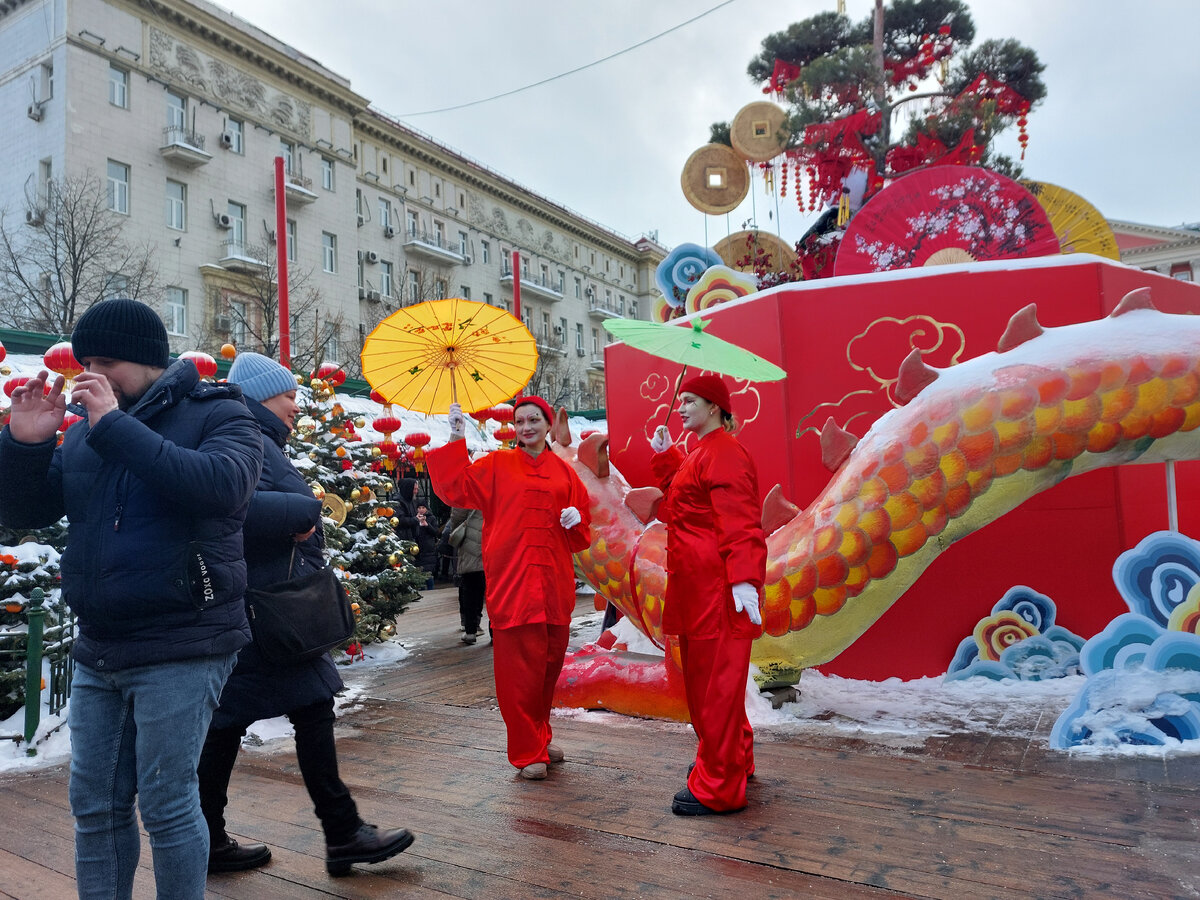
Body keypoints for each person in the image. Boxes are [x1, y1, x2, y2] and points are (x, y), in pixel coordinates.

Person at [0, 298, 263, 900]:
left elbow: (222, 488)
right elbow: (25, 512)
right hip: (101, 645)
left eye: (108, 362)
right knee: (94, 806)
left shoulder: (218, 410)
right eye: (87, 362)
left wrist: (115, 426)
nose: (93, 374)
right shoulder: (87, 430)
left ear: (149, 360)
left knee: (168, 804)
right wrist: (25, 445)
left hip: (185, 638)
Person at [197, 352, 414, 878]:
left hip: (265, 605)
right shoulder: (250, 438)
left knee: (240, 720)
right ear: (261, 397)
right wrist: (301, 513)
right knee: (277, 713)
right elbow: (234, 504)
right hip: (267, 609)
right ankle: (338, 834)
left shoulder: (262, 439)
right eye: (288, 395)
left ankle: (210, 838)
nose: (296, 405)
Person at [427, 396, 591, 779]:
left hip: (554, 586)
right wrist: (456, 437)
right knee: (518, 674)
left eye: (534, 420)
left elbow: (581, 535)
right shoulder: (497, 465)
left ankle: (540, 737)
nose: (526, 427)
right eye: (519, 421)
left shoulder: (565, 473)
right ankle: (526, 749)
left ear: (548, 425)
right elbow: (454, 488)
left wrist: (577, 519)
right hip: (514, 585)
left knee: (547, 670)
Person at [649, 374, 767, 816]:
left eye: (690, 401)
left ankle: (719, 785)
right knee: (708, 683)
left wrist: (743, 577)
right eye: (680, 401)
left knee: (714, 687)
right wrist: (666, 457)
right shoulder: (704, 451)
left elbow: (740, 519)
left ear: (714, 407)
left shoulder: (724, 453)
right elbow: (686, 501)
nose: (681, 408)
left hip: (717, 589)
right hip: (697, 587)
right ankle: (731, 760)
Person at [446, 506, 485, 643]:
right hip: (491, 538)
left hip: (470, 542)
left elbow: (457, 515)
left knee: (470, 588)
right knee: (493, 590)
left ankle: (470, 630)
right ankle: (494, 632)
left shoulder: (468, 493)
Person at [414, 503, 440, 589]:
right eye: (419, 508)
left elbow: (435, 532)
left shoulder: (431, 518)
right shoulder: (415, 518)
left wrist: (427, 525)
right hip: (418, 549)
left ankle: (430, 590)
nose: (421, 510)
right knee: (419, 572)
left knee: (428, 572)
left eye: (423, 507)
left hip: (428, 549)